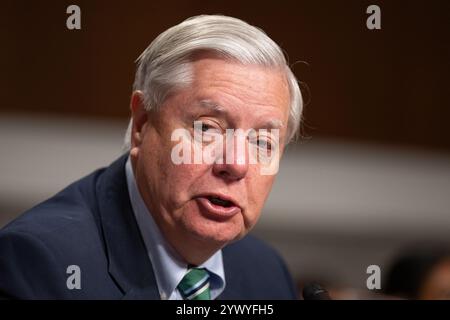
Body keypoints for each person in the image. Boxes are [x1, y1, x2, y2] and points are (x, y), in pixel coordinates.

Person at [0, 14, 303, 299]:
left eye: (263, 142)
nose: (236, 164)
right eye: (208, 128)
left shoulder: (267, 276)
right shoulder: (40, 265)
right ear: (142, 124)